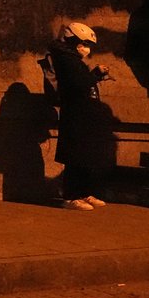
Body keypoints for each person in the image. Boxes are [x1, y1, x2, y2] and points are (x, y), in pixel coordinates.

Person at [45, 22, 117, 210]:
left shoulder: (72, 59)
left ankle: (84, 193)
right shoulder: (66, 59)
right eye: (83, 44)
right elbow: (78, 83)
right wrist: (95, 73)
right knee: (75, 156)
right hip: (75, 114)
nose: (86, 49)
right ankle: (71, 196)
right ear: (73, 41)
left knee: (85, 155)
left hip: (84, 114)